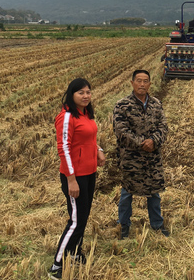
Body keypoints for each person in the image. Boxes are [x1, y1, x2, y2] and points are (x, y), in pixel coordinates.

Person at [48, 78, 106, 280]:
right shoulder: (66, 116)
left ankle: (74, 254)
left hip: (89, 173)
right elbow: (63, 148)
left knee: (83, 217)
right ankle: (57, 265)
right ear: (71, 94)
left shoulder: (86, 113)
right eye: (81, 92)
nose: (86, 96)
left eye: (88, 92)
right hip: (75, 176)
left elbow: (89, 137)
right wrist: (71, 180)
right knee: (75, 221)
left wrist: (98, 150)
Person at [113, 69, 169, 239]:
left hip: (152, 157)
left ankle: (157, 224)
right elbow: (121, 131)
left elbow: (163, 127)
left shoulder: (156, 104)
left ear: (150, 84)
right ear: (132, 83)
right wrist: (141, 143)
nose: (142, 84)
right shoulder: (122, 105)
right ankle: (123, 225)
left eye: (145, 81)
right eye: (139, 81)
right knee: (127, 192)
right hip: (131, 158)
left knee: (154, 192)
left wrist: (154, 140)